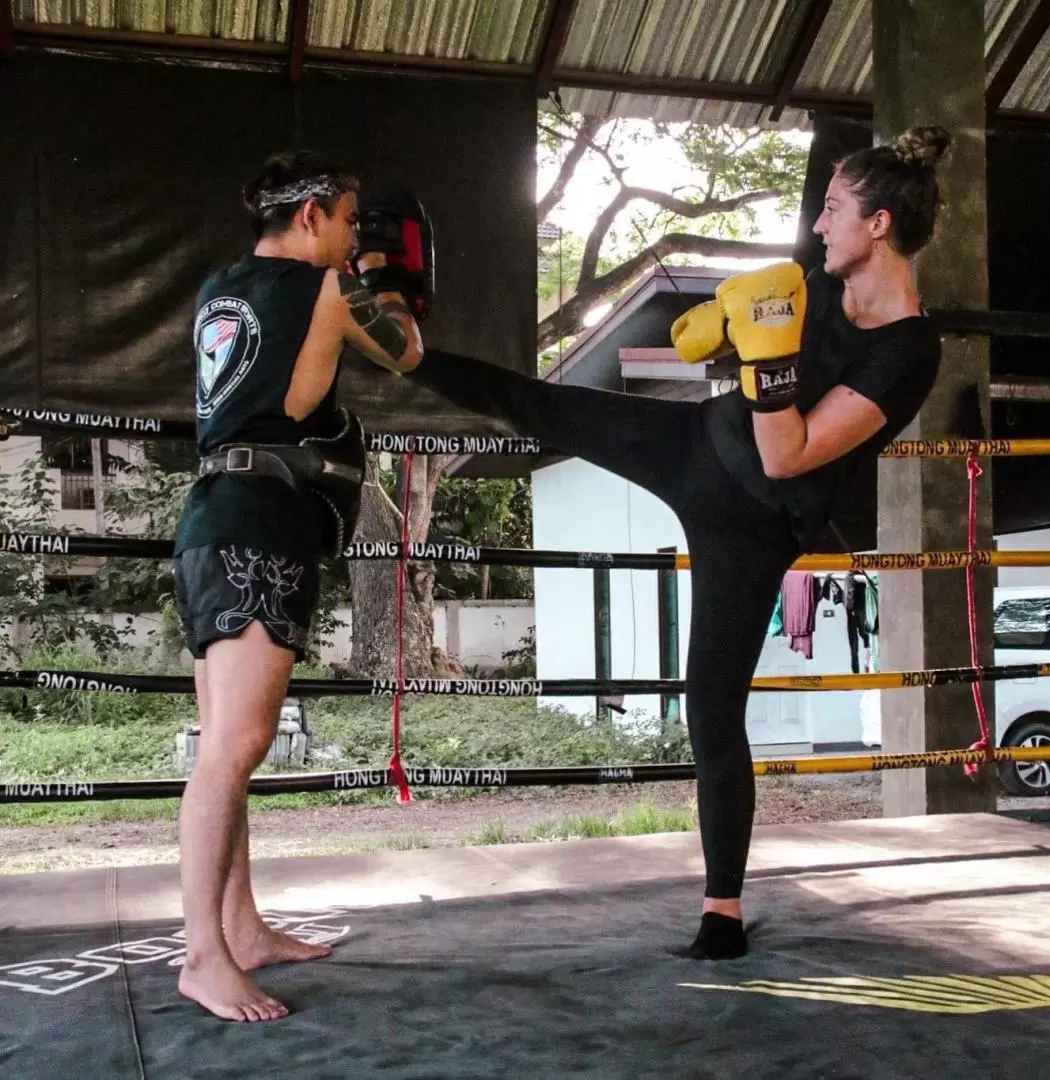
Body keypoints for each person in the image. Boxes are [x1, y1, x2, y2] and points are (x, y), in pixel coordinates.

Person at [406, 125, 951, 960]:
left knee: (710, 704)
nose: (818, 226)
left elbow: (789, 452)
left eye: (835, 211)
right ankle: (405, 355)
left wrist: (763, 357)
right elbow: (743, 352)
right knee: (546, 406)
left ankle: (721, 912)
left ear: (879, 225)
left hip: (757, 519)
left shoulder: (909, 352)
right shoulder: (808, 281)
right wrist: (722, 333)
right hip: (699, 442)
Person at [171, 151, 426, 1022]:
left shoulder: (221, 288)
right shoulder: (324, 288)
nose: (354, 236)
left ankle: (240, 929)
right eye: (350, 221)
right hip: (256, 522)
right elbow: (405, 351)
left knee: (226, 741)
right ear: (313, 216)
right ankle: (204, 955)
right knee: (235, 745)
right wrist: (384, 276)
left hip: (217, 511)